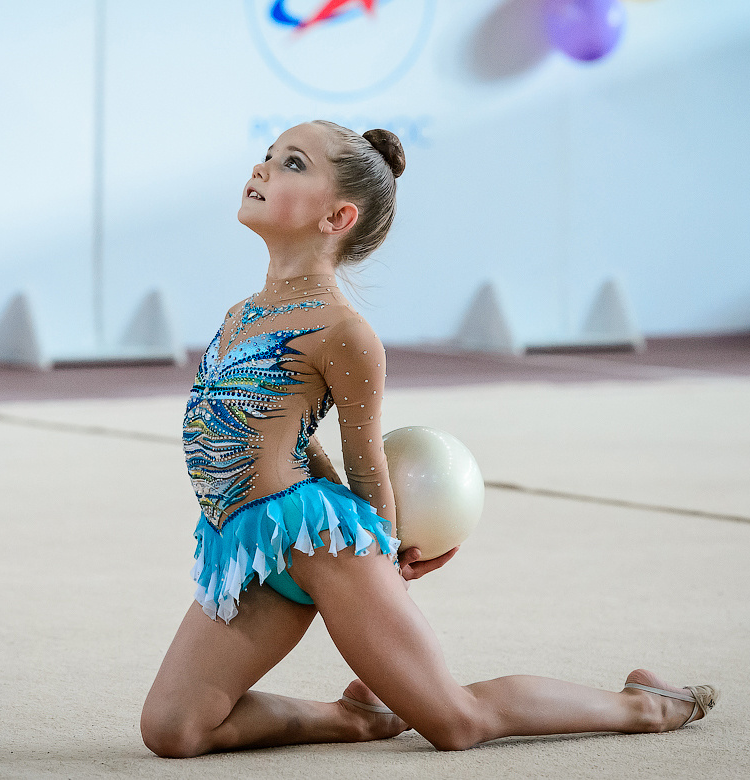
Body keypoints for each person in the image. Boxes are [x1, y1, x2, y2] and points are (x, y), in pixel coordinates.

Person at [140, 120, 717, 757]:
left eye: (292, 164)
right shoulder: (239, 315)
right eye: (268, 155)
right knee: (174, 729)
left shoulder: (343, 330)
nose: (263, 169)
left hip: (324, 545)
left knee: (456, 722)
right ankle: (358, 717)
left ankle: (645, 706)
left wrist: (380, 556)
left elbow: (366, 461)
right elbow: (295, 439)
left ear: (338, 215)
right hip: (248, 545)